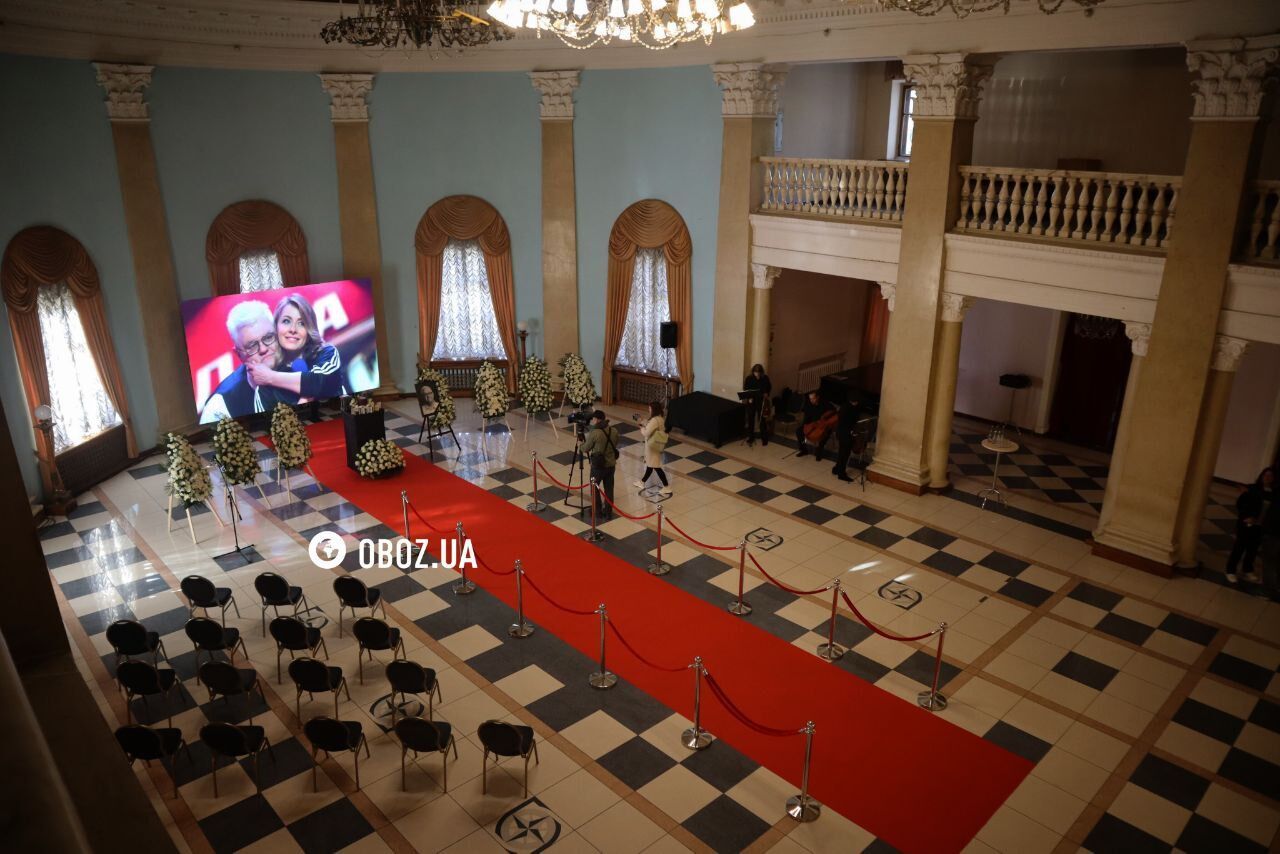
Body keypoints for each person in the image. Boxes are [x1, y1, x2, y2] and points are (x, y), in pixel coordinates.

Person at [198, 300, 293, 423]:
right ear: (239, 354)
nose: (263, 349)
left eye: (269, 337)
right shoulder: (219, 407)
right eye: (252, 346)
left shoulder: (303, 364)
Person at [247, 294, 346, 402]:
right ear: (276, 327)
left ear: (309, 329)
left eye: (301, 323)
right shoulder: (265, 388)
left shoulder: (327, 354)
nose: (293, 329)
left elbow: (318, 381)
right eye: (286, 321)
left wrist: (271, 377)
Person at [1226, 467, 1276, 586]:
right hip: (1247, 524)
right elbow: (1240, 504)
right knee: (1239, 547)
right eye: (1265, 475)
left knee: (1253, 549)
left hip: (1261, 526)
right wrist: (1247, 517)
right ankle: (1230, 570)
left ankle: (1247, 569)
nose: (1267, 478)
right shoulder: (1252, 488)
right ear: (1261, 476)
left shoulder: (1274, 493)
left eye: (1270, 476)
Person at [582, 410, 620, 520]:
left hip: (598, 466)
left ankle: (597, 511)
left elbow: (586, 448)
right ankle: (608, 512)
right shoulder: (614, 430)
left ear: (597, 420)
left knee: (594, 488)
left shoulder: (595, 433)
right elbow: (616, 443)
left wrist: (580, 445)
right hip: (611, 465)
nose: (592, 421)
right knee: (609, 489)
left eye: (593, 419)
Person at [634, 401, 672, 496]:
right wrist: (643, 421)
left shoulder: (655, 420)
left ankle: (666, 486)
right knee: (651, 464)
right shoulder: (660, 418)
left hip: (652, 446)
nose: (649, 410)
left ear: (653, 409)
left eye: (650, 409)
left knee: (656, 466)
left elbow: (646, 433)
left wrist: (641, 428)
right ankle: (642, 482)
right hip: (655, 445)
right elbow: (650, 426)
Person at [795, 391, 835, 461]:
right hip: (812, 424)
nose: (811, 400)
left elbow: (833, 411)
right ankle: (803, 450)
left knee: (824, 435)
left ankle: (819, 452)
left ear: (817, 397)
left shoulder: (825, 404)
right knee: (798, 431)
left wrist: (825, 420)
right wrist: (805, 427)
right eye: (810, 399)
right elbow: (807, 417)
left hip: (823, 425)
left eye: (813, 398)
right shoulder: (808, 405)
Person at [831, 395, 861, 483]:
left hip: (841, 433)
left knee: (841, 453)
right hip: (846, 434)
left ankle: (837, 469)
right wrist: (852, 432)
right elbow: (851, 422)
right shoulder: (851, 410)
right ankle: (841, 473)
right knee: (845, 454)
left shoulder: (844, 406)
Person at [743, 363, 772, 446]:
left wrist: (767, 393)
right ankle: (751, 437)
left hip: (761, 401)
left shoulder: (765, 378)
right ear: (753, 372)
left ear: (761, 372)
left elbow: (769, 387)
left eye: (759, 372)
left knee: (762, 420)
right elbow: (746, 389)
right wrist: (749, 397)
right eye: (755, 372)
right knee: (750, 420)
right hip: (752, 402)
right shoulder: (749, 379)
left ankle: (764, 438)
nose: (757, 374)